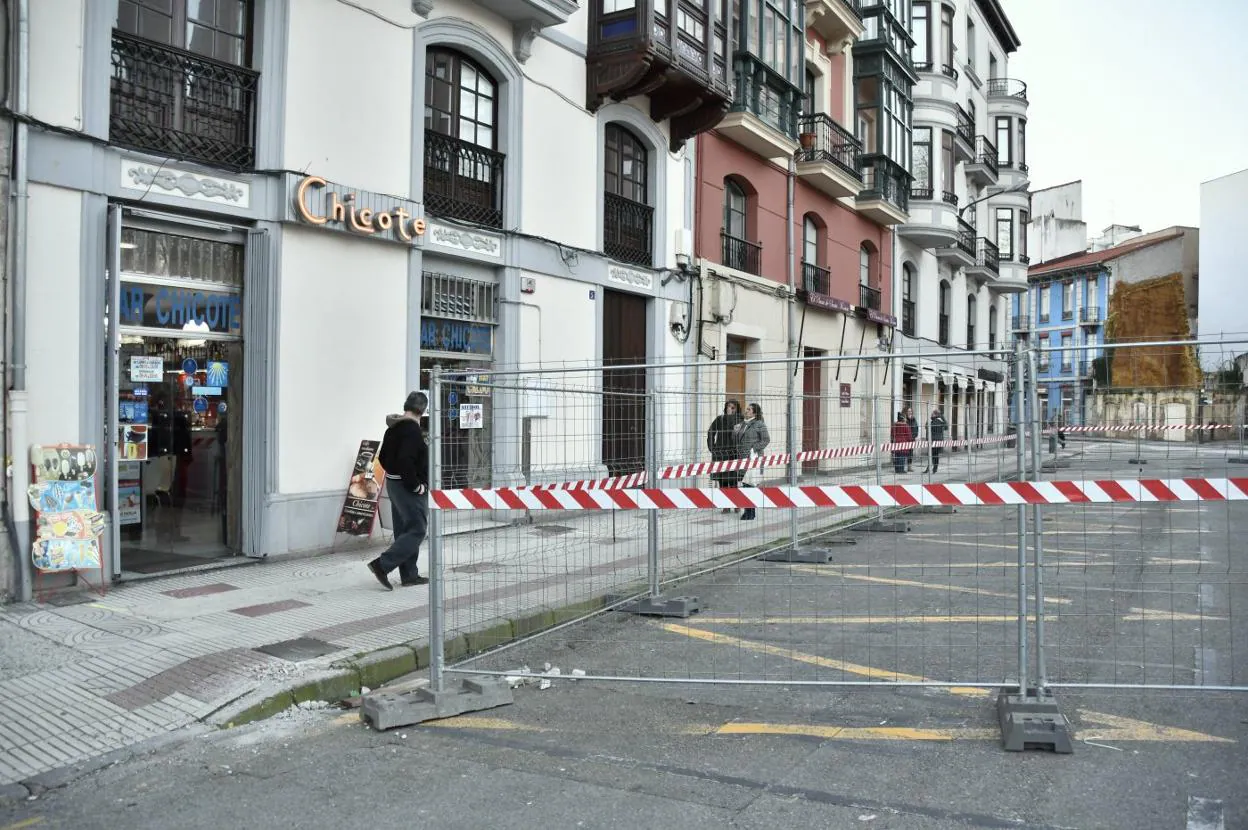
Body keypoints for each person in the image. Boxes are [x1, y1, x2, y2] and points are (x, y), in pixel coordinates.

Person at [368, 391, 431, 590]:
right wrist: (415, 485)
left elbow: (383, 457)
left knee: (404, 530)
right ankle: (382, 564)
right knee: (417, 529)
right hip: (407, 487)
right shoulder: (412, 431)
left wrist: (394, 474)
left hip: (394, 484)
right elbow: (406, 460)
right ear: (423, 410)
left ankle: (409, 575)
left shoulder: (392, 428)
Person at [707, 400, 745, 515]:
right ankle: (725, 505)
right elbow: (711, 432)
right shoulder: (720, 419)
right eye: (729, 407)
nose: (731, 409)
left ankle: (736, 504)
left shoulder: (740, 420)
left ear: (737, 409)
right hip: (721, 454)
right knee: (722, 480)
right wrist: (713, 448)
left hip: (734, 453)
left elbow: (744, 436)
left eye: (733, 408)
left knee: (733, 480)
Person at [736, 402, 770, 521]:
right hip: (743, 458)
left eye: (749, 409)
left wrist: (754, 448)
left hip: (753, 459)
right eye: (746, 409)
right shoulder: (743, 424)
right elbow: (737, 439)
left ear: (754, 412)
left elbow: (766, 440)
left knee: (751, 485)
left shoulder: (759, 424)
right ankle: (747, 511)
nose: (746, 411)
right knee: (745, 485)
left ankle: (751, 513)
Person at [923, 406, 948, 474]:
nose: (931, 414)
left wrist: (941, 416)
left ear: (936, 414)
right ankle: (932, 468)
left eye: (933, 413)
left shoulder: (938, 420)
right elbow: (926, 427)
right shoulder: (931, 420)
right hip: (933, 440)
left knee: (934, 454)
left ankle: (933, 468)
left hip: (936, 440)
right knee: (933, 454)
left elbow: (946, 427)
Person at [904, 405, 919, 472]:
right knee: (904, 453)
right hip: (905, 439)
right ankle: (902, 466)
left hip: (912, 439)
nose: (910, 412)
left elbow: (916, 428)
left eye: (911, 411)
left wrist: (915, 435)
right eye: (908, 411)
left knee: (910, 453)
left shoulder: (914, 419)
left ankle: (909, 467)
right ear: (906, 412)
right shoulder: (904, 419)